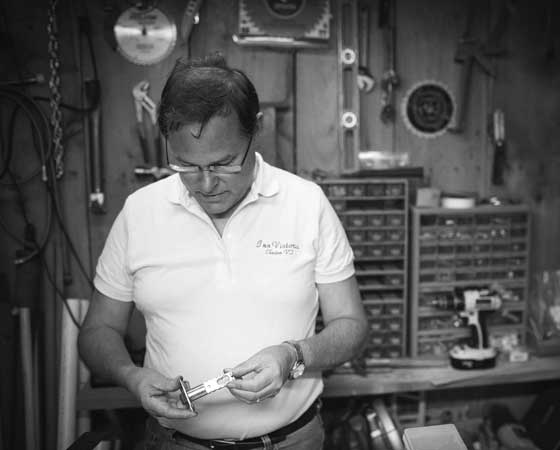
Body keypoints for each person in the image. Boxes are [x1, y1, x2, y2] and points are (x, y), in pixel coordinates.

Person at [78, 53, 369, 450]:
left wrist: (293, 356)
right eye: (186, 165)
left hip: (291, 442)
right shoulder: (140, 213)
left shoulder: (307, 204)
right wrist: (132, 376)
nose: (206, 183)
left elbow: (352, 325)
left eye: (224, 163)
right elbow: (97, 332)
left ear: (256, 130)